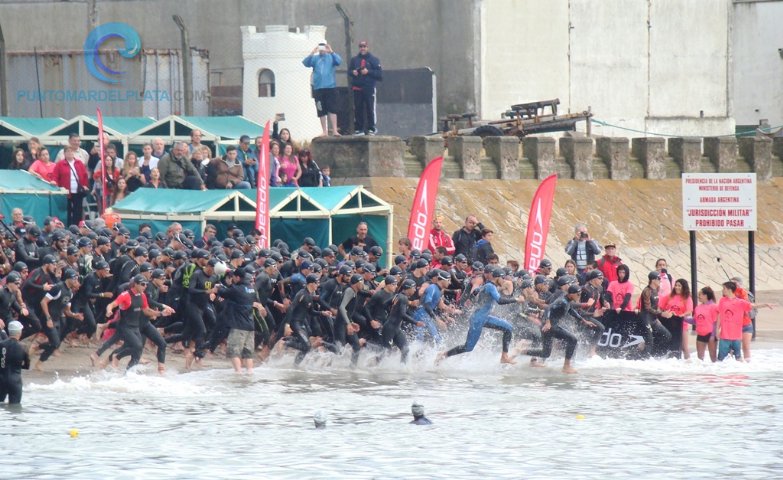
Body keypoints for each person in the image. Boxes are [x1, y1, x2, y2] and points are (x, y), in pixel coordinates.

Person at [437, 267, 521, 364]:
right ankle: (443, 355)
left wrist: (471, 301)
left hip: (485, 317)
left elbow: (475, 292)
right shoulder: (490, 286)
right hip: (478, 319)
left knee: (508, 328)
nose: (504, 281)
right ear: (498, 277)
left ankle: (504, 357)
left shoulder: (488, 286)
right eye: (503, 278)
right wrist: (516, 299)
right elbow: (500, 301)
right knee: (468, 347)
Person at [523, 278, 583, 374]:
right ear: (571, 293)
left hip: (549, 326)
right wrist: (548, 322)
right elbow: (548, 308)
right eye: (578, 294)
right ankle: (566, 366)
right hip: (550, 326)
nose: (579, 296)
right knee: (573, 339)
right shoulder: (562, 300)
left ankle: (522, 352)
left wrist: (583, 320)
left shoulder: (566, 299)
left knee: (545, 353)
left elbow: (570, 310)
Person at [217, 267, 264, 374]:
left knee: (234, 352)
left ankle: (238, 373)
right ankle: (249, 373)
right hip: (250, 326)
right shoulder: (252, 289)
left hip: (239, 326)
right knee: (248, 353)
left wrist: (220, 286)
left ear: (237, 277)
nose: (232, 278)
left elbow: (223, 293)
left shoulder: (236, 289)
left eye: (233, 277)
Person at [716, 281, 774, 362]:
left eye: (724, 288)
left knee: (738, 358)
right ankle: (721, 373)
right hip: (724, 335)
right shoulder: (722, 301)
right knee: (721, 358)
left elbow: (753, 305)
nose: (722, 290)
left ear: (729, 290)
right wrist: (717, 330)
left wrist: (765, 305)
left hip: (736, 336)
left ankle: (743, 372)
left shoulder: (740, 302)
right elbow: (719, 315)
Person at [302, 42, 342, 137]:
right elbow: (305, 63)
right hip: (318, 88)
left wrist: (331, 51)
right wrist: (312, 52)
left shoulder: (331, 57)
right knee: (321, 110)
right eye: (320, 48)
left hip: (330, 87)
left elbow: (339, 61)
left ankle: (335, 130)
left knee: (332, 109)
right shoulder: (315, 58)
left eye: (323, 47)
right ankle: (325, 131)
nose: (322, 49)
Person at [349, 40, 383, 135]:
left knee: (370, 108)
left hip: (369, 88)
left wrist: (368, 72)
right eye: (360, 46)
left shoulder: (374, 60)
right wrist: (353, 72)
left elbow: (380, 75)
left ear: (367, 47)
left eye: (364, 46)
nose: (362, 48)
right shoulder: (354, 60)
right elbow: (349, 71)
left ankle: (371, 127)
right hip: (357, 87)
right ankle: (359, 128)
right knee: (358, 108)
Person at [638, 271, 673, 356]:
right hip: (646, 319)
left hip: (653, 319)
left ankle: (648, 351)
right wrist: (661, 314)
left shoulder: (656, 290)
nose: (660, 280)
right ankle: (644, 358)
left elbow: (655, 306)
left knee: (667, 335)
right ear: (653, 280)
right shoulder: (647, 291)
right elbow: (648, 308)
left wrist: (657, 318)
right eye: (659, 279)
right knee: (650, 342)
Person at [53, 146, 89, 226]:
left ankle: (77, 226)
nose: (70, 153)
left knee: (78, 211)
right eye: (68, 152)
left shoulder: (79, 163)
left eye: (71, 151)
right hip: (66, 192)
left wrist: (85, 185)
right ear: (64, 154)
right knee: (67, 211)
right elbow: (55, 176)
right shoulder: (60, 164)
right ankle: (68, 226)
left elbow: (85, 176)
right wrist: (54, 182)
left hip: (78, 191)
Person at [660, 278, 693, 359]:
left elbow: (689, 311)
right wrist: (665, 312)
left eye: (679, 286)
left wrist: (681, 315)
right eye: (676, 285)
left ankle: (688, 365)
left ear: (684, 287)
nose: (677, 287)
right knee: (668, 345)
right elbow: (660, 307)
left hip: (681, 324)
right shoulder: (669, 296)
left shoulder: (687, 297)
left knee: (684, 347)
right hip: (669, 323)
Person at [0, 321, 30, 405]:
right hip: (15, 381)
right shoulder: (23, 346)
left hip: (1, 380)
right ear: (19, 332)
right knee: (15, 408)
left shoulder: (1, 344)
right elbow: (27, 366)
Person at [693, 286, 719, 362]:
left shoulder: (714, 306)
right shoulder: (698, 307)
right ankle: (701, 373)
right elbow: (695, 320)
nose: (699, 296)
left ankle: (715, 373)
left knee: (713, 358)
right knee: (699, 359)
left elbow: (716, 322)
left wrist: (714, 334)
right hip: (700, 334)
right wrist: (682, 318)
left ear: (706, 295)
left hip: (711, 334)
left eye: (700, 294)